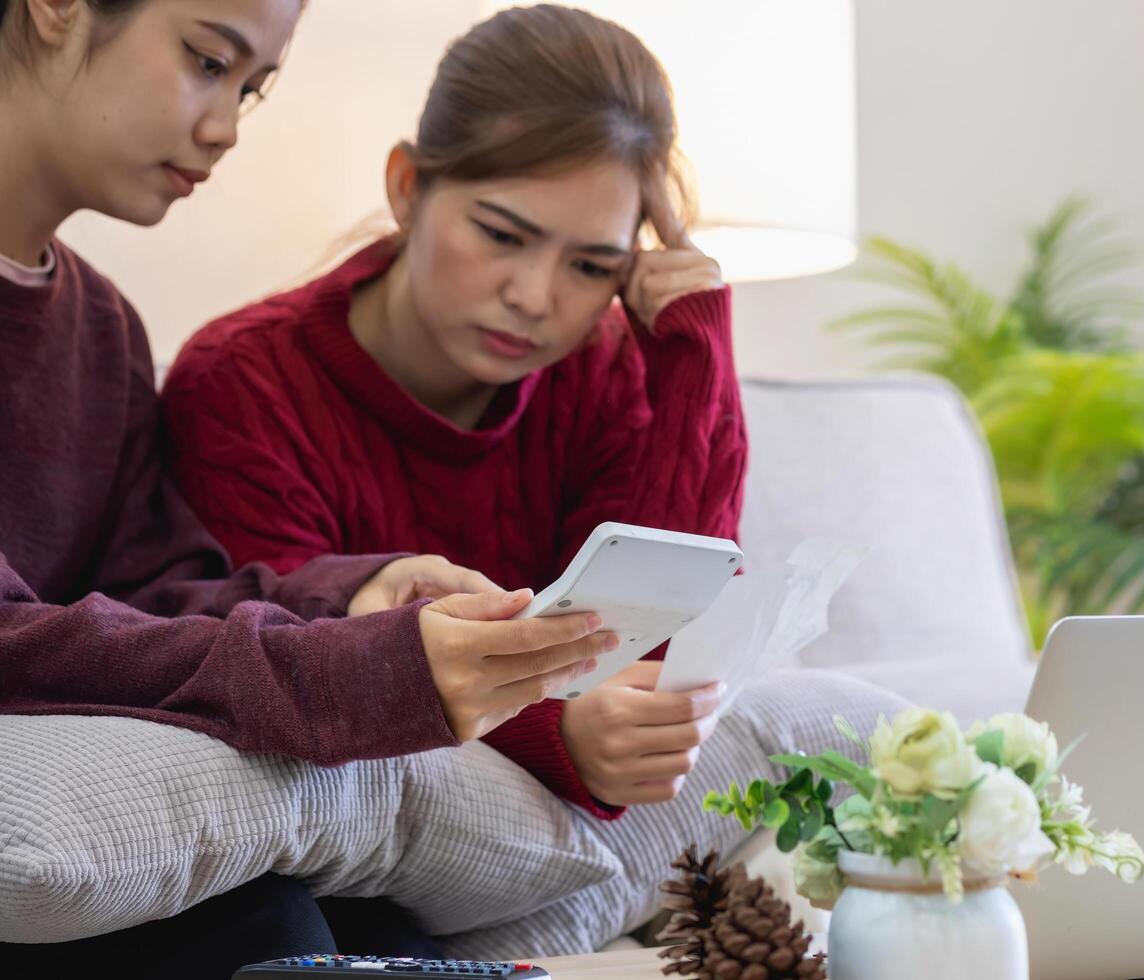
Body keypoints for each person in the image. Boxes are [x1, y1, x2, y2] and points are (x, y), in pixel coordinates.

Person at [0, 0, 616, 970]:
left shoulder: (101, 330)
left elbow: (153, 592)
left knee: (364, 926)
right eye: (208, 60)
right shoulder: (232, 369)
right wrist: (347, 672)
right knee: (267, 929)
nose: (226, 128)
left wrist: (351, 599)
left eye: (252, 87)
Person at [163, 4, 741, 821]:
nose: (534, 297)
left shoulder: (610, 372)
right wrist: (556, 732)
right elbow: (278, 661)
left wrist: (696, 359)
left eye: (590, 264)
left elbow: (656, 647)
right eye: (502, 235)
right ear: (407, 187)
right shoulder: (240, 385)